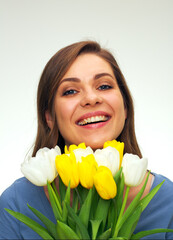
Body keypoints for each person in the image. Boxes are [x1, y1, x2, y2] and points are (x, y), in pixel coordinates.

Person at [0, 40, 173, 239]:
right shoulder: (17, 203)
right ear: (49, 117)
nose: (91, 98)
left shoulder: (168, 201)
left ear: (125, 108)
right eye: (70, 91)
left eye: (105, 86)